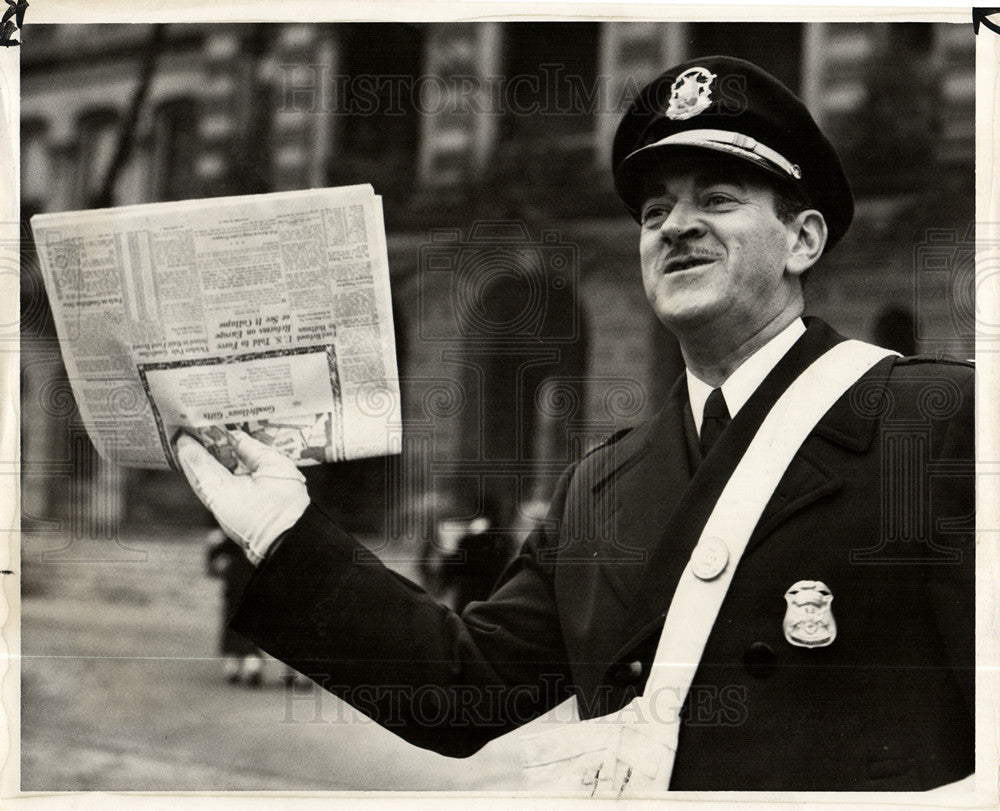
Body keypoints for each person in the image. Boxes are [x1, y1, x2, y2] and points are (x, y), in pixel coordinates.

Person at [175, 56, 974, 791]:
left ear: (803, 238)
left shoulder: (934, 426)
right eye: (655, 209)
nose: (676, 226)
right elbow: (460, 691)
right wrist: (284, 530)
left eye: (718, 199)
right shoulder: (600, 485)